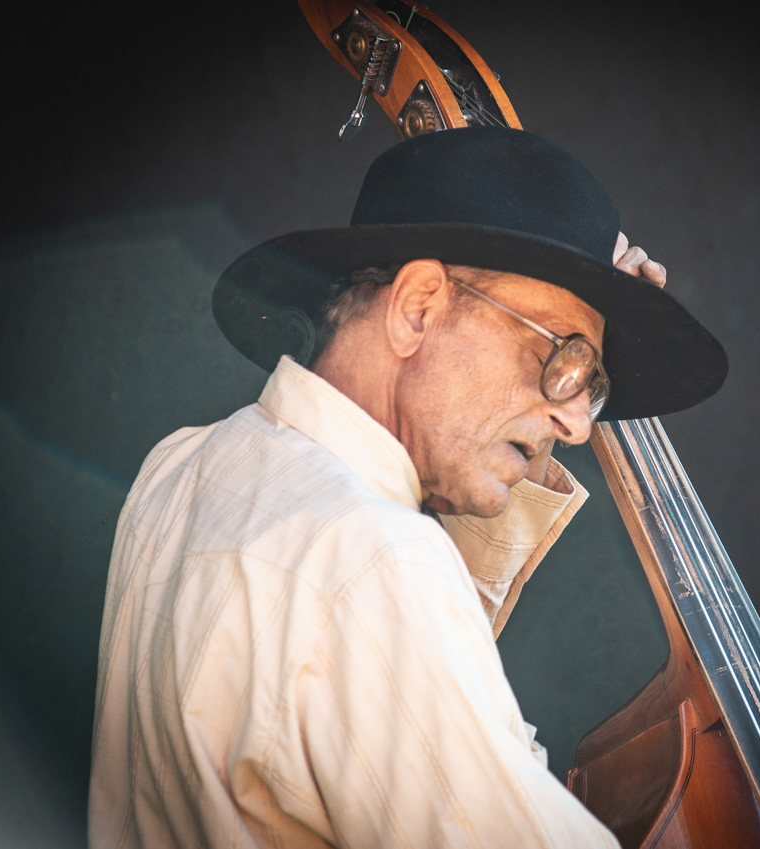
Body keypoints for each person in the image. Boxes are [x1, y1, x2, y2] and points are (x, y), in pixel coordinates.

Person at [88, 126, 727, 848]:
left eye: (591, 382)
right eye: (562, 355)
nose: (579, 426)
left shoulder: (179, 467)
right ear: (419, 305)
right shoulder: (379, 564)